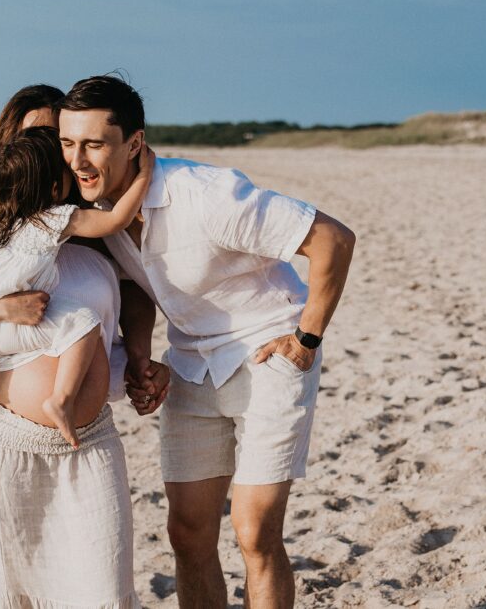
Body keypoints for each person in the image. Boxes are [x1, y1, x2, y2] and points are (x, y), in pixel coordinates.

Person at [56, 75, 356, 608]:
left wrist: (305, 340)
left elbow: (333, 239)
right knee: (187, 533)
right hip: (192, 362)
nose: (77, 159)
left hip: (268, 353)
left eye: (94, 144)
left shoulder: (207, 194)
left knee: (253, 531)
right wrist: (142, 353)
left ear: (134, 143)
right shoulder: (95, 212)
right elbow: (135, 285)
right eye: (67, 143)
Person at [0, 84, 150, 607]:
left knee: (98, 588)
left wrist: (140, 369)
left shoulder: (86, 230)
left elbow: (105, 334)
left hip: (86, 447)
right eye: (34, 136)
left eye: (57, 139)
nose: (52, 152)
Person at [0, 126, 153, 447]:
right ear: (58, 186)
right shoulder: (55, 217)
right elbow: (117, 220)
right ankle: (61, 398)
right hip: (8, 330)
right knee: (83, 323)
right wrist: (144, 175)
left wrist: (6, 172)